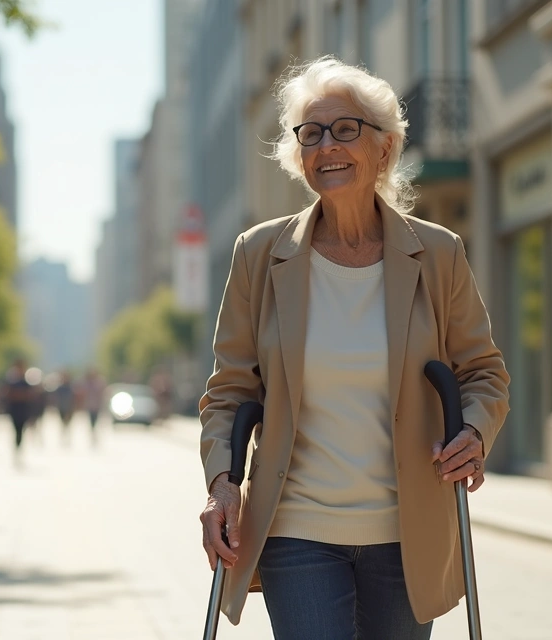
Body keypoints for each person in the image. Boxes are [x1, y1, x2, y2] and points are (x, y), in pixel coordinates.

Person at [197, 57, 510, 639]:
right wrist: (221, 484)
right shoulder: (259, 255)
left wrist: (474, 432)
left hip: (407, 532)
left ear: (384, 149)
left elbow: (484, 372)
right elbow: (229, 391)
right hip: (296, 530)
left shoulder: (437, 254)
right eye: (310, 133)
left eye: (346, 129)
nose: (326, 146)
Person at [0, 358, 36, 464]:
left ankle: (19, 447)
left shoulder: (27, 381)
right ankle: (16, 448)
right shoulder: (11, 381)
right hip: (14, 410)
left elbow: (31, 395)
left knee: (21, 430)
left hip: (24, 410)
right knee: (16, 430)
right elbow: (6, 393)